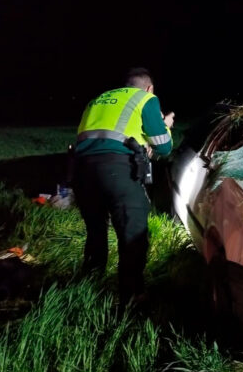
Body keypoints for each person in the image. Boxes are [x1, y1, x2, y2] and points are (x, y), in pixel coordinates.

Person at [73, 67, 174, 306]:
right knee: (133, 235)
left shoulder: (97, 100)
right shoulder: (146, 98)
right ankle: (131, 298)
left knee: (96, 231)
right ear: (149, 88)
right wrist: (165, 124)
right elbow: (163, 147)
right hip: (117, 170)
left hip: (81, 171)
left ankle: (89, 287)